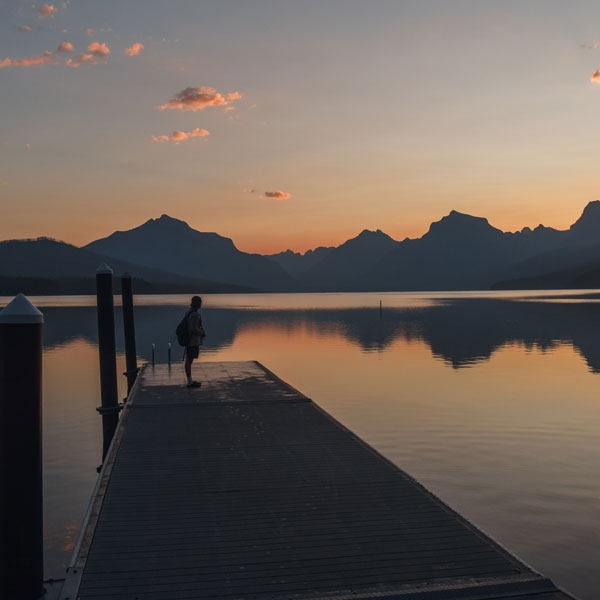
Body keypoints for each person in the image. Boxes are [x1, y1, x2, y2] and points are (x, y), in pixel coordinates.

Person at [184, 295, 205, 387]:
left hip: (189, 340)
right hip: (192, 341)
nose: (201, 304)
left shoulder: (189, 312)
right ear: (198, 304)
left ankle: (190, 380)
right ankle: (189, 381)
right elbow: (193, 329)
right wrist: (201, 332)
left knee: (189, 359)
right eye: (200, 302)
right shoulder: (195, 314)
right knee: (189, 360)